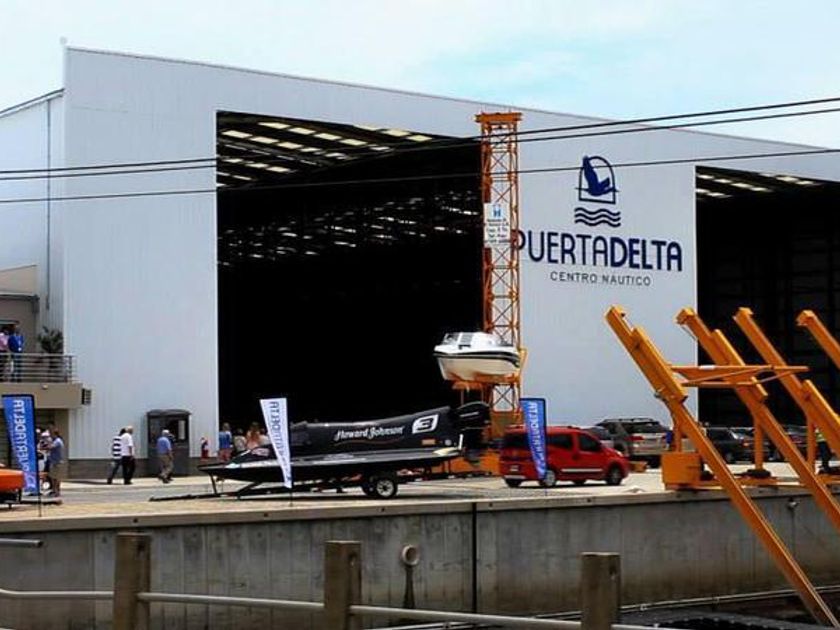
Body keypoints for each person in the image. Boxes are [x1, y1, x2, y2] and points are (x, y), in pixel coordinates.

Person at [47, 428, 66, 497]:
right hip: (55, 461)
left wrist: (48, 443)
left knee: (55, 477)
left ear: (55, 434)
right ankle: (55, 490)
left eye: (51, 434)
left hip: (56, 462)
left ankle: (56, 491)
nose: (50, 436)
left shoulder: (57, 441)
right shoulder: (57, 441)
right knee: (54, 477)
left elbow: (50, 447)